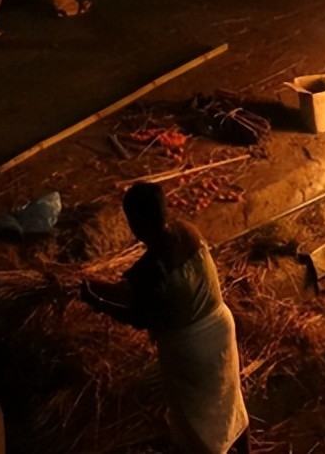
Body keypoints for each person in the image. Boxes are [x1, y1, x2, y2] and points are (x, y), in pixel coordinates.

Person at [81, 183, 249, 454]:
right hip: (221, 327)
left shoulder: (150, 272)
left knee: (198, 422)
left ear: (134, 224)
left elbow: (136, 316)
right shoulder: (187, 232)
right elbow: (129, 290)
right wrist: (96, 286)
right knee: (230, 402)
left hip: (189, 350)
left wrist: (94, 300)